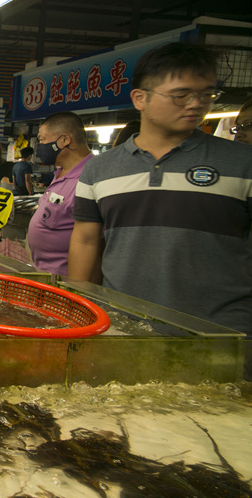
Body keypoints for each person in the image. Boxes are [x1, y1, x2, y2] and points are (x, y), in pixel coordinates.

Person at [68, 42, 252, 348]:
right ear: (140, 98)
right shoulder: (100, 170)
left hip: (223, 335)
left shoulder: (243, 164)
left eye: (206, 94)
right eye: (181, 95)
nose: (196, 104)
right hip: (124, 327)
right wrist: (78, 310)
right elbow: (86, 241)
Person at [25, 112, 92, 276]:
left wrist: (78, 290)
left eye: (42, 139)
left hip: (65, 283)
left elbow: (93, 243)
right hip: (45, 276)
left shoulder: (89, 178)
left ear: (64, 140)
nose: (39, 146)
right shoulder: (60, 174)